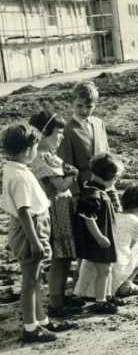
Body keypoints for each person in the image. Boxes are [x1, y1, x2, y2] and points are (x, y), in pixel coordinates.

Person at [1, 124, 73, 343]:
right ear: (26, 150)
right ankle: (31, 328)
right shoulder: (19, 176)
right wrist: (35, 242)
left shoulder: (15, 169)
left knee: (36, 279)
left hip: (34, 226)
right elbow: (23, 212)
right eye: (34, 147)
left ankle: (42, 320)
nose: (36, 151)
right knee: (30, 282)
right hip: (30, 230)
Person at [28, 111, 84, 318]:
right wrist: (73, 174)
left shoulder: (50, 156)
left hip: (62, 209)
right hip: (55, 211)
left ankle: (59, 296)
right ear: (44, 133)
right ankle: (56, 301)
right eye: (58, 133)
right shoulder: (41, 158)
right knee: (60, 257)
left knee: (66, 255)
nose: (61, 137)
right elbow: (59, 186)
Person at [75, 185, 138, 298]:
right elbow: (129, 247)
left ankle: (88, 288)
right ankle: (126, 284)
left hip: (97, 262)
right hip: (114, 265)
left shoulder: (113, 215)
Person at [58, 81, 121, 211]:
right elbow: (67, 164)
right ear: (72, 103)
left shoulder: (99, 123)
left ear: (95, 105)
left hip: (106, 182)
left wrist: (112, 177)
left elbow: (107, 153)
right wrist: (75, 193)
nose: (84, 110)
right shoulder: (68, 130)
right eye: (79, 106)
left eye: (89, 106)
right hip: (85, 186)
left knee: (115, 213)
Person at [73, 154, 123, 314]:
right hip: (98, 240)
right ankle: (100, 301)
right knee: (104, 271)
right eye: (115, 179)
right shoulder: (94, 194)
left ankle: (107, 295)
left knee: (106, 268)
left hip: (102, 236)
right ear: (110, 178)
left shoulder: (93, 190)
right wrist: (99, 237)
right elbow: (88, 217)